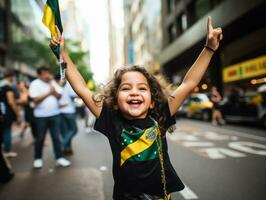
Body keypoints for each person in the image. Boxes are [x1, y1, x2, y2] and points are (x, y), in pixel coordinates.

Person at [51, 16, 222, 199]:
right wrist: (64, 54)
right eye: (126, 88)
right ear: (115, 100)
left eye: (142, 88)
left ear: (152, 101)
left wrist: (209, 48)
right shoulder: (111, 119)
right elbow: (82, 88)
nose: (134, 92)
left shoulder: (161, 114)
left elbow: (188, 83)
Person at [29, 66, 71, 168]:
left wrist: (54, 89)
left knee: (56, 138)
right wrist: (49, 92)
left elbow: (59, 96)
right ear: (39, 75)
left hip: (55, 115)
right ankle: (38, 158)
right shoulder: (35, 84)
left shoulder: (52, 83)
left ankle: (59, 158)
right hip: (40, 117)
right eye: (44, 73)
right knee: (40, 138)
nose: (47, 75)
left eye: (48, 73)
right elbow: (35, 100)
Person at [0, 69, 21, 158]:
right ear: (11, 77)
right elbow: (11, 102)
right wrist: (18, 114)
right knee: (7, 131)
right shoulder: (7, 87)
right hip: (6, 113)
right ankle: (7, 151)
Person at [55, 75, 78, 155]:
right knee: (73, 130)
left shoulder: (56, 85)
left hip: (61, 112)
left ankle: (67, 149)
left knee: (66, 132)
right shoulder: (66, 84)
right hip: (68, 112)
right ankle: (63, 145)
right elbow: (75, 94)